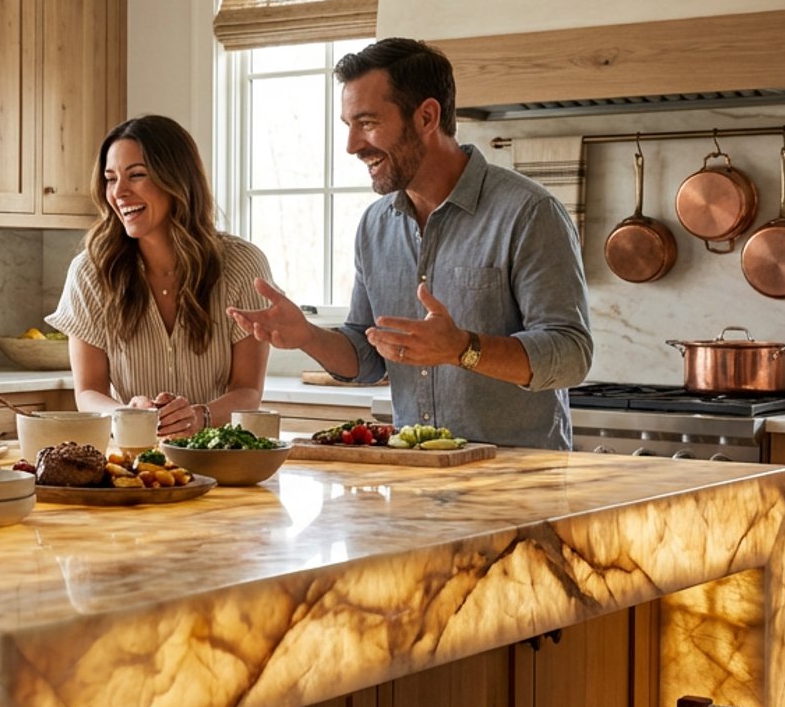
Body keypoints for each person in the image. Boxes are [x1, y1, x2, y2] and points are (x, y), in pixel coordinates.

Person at [228, 39, 592, 449]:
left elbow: (570, 354)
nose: (351, 145)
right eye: (348, 125)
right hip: (415, 474)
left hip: (516, 479)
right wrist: (307, 336)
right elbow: (367, 359)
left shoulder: (528, 212)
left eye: (366, 123)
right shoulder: (375, 225)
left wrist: (462, 349)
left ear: (426, 117)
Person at [47, 114, 274, 438]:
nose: (119, 192)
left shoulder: (242, 265)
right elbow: (88, 393)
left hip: (218, 457)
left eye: (136, 175)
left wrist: (200, 417)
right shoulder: (90, 273)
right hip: (136, 462)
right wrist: (127, 415)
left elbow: (248, 391)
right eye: (111, 179)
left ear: (177, 179)